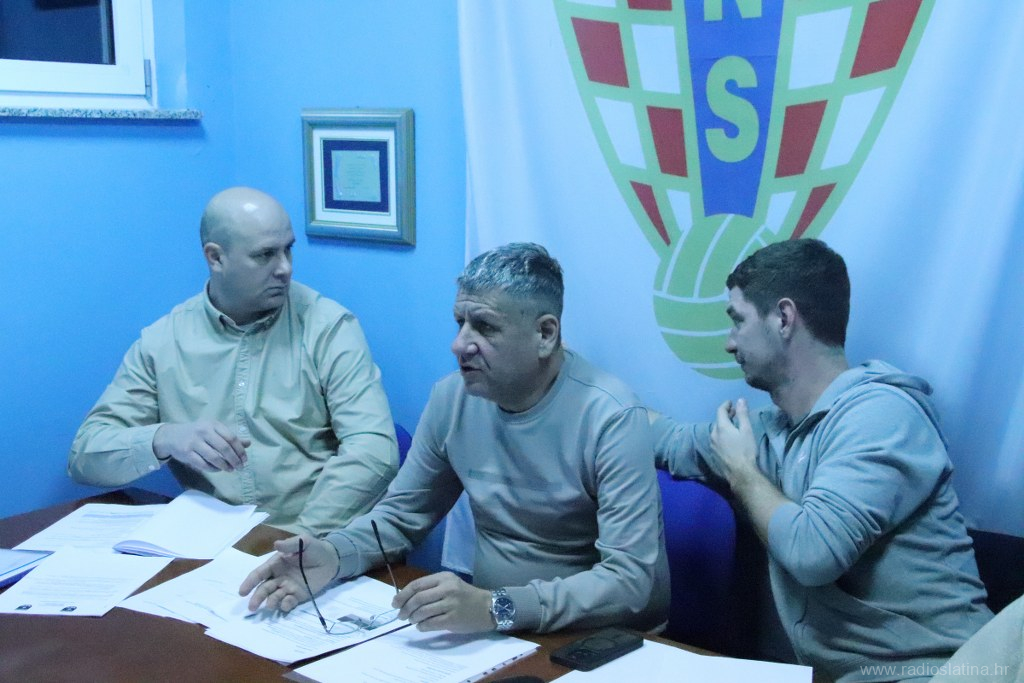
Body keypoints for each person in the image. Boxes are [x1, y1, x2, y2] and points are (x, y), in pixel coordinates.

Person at [240, 242, 670, 634]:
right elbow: (400, 517)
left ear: (545, 334)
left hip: (601, 640)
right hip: (494, 629)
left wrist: (497, 607)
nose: (459, 344)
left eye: (485, 327)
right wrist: (335, 555)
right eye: (460, 322)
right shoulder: (453, 399)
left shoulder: (611, 416)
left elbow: (629, 583)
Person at [653, 239, 992, 682]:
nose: (729, 343)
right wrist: (589, 392)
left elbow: (813, 553)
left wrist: (742, 471)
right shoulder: (771, 430)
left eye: (738, 321)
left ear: (784, 318)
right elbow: (668, 439)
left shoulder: (882, 416)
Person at [68, 187, 398, 536]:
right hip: (213, 542)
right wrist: (166, 438)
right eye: (265, 255)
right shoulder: (164, 342)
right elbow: (85, 455)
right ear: (215, 258)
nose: (285, 269)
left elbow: (374, 451)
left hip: (318, 537)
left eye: (288, 250)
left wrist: (298, 542)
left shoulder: (327, 327)